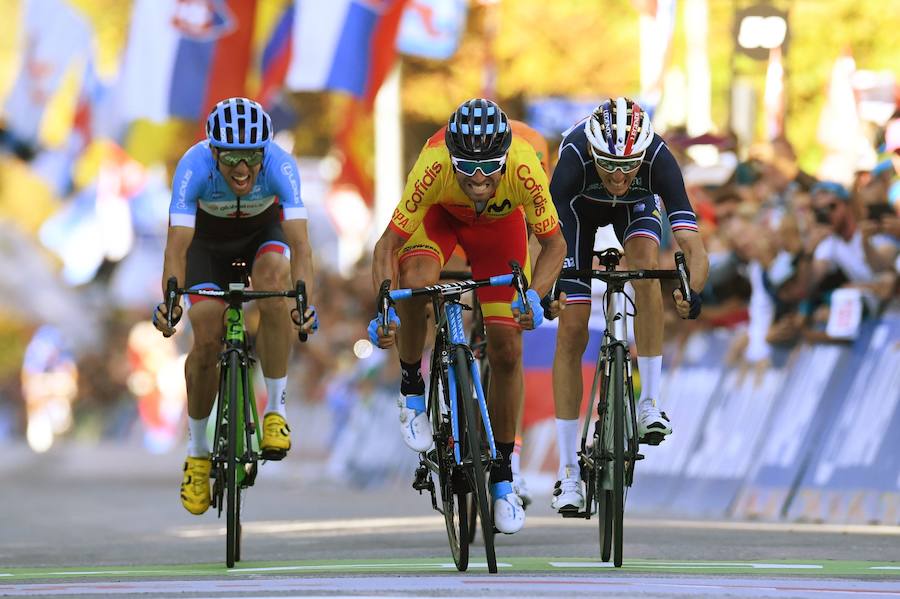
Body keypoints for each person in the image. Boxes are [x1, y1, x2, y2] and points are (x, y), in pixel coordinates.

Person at [369, 98, 567, 534]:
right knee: (417, 280)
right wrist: (384, 303)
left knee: (507, 350)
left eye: (488, 167)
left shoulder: (523, 166)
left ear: (506, 157)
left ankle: (501, 481)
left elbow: (554, 245)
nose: (478, 179)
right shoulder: (434, 163)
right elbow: (387, 245)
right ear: (452, 158)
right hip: (439, 220)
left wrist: (534, 296)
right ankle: (411, 389)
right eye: (467, 168)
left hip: (499, 232)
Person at [152, 97, 319, 515]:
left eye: (251, 158)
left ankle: (276, 412)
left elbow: (300, 245)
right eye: (230, 159)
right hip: (206, 245)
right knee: (206, 333)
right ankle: (196, 452)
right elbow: (176, 247)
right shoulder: (192, 167)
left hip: (262, 235)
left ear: (264, 151)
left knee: (275, 283)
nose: (242, 170)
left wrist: (303, 301)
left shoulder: (281, 165)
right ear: (213, 152)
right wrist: (171, 303)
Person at [548, 97, 709, 513]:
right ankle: (568, 472)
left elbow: (693, 245)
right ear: (593, 153)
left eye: (628, 166)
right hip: (578, 214)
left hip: (636, 213)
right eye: (609, 165)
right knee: (572, 328)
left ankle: (649, 403)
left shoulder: (658, 158)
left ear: (643, 154)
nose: (619, 177)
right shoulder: (572, 159)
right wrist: (548, 291)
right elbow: (547, 242)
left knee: (646, 267)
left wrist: (694, 292)